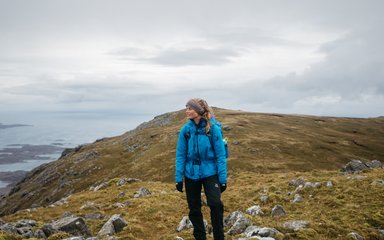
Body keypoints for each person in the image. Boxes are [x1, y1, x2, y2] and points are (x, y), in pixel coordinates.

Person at [175, 98, 227, 240]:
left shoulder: (213, 129)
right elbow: (180, 155)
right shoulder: (185, 131)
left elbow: (220, 156)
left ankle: (219, 236)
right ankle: (200, 237)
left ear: (198, 110)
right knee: (194, 208)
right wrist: (178, 178)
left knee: (216, 204)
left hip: (211, 173)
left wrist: (222, 179)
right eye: (186, 108)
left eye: (190, 108)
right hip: (191, 174)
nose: (187, 111)